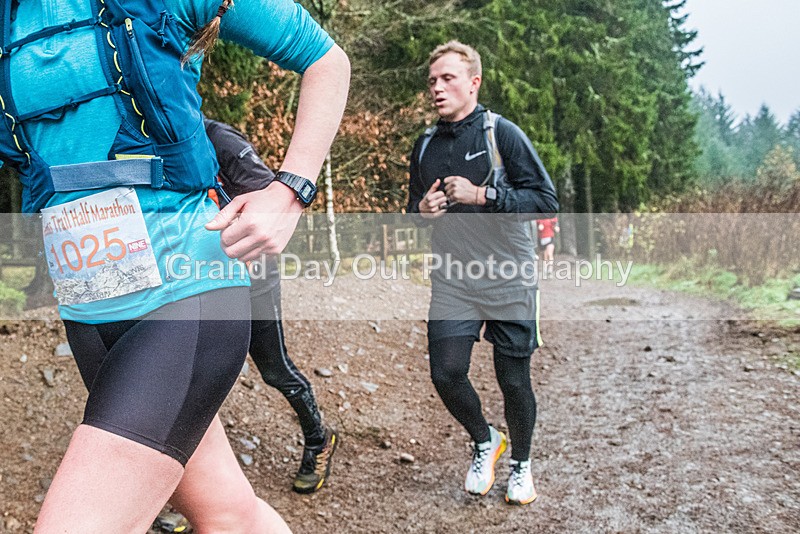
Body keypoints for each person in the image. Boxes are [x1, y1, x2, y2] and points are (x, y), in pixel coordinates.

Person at [1, 1, 349, 532]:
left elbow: (325, 61)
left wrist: (291, 191)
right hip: (89, 310)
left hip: (186, 291)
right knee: (229, 514)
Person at [408, 41, 558, 505]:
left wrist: (484, 197)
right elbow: (412, 209)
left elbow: (545, 201)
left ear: (473, 82)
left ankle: (522, 466)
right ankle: (484, 440)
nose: (437, 87)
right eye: (432, 80)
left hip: (511, 275)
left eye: (448, 78)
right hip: (454, 276)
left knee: (513, 380)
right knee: (445, 372)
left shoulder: (501, 134)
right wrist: (423, 210)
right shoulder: (426, 144)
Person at [204, 117, 338, 494]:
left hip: (252, 276)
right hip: (198, 282)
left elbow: (272, 200)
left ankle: (319, 439)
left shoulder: (218, 137)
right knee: (195, 378)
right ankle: (191, 489)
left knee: (274, 369)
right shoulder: (154, 144)